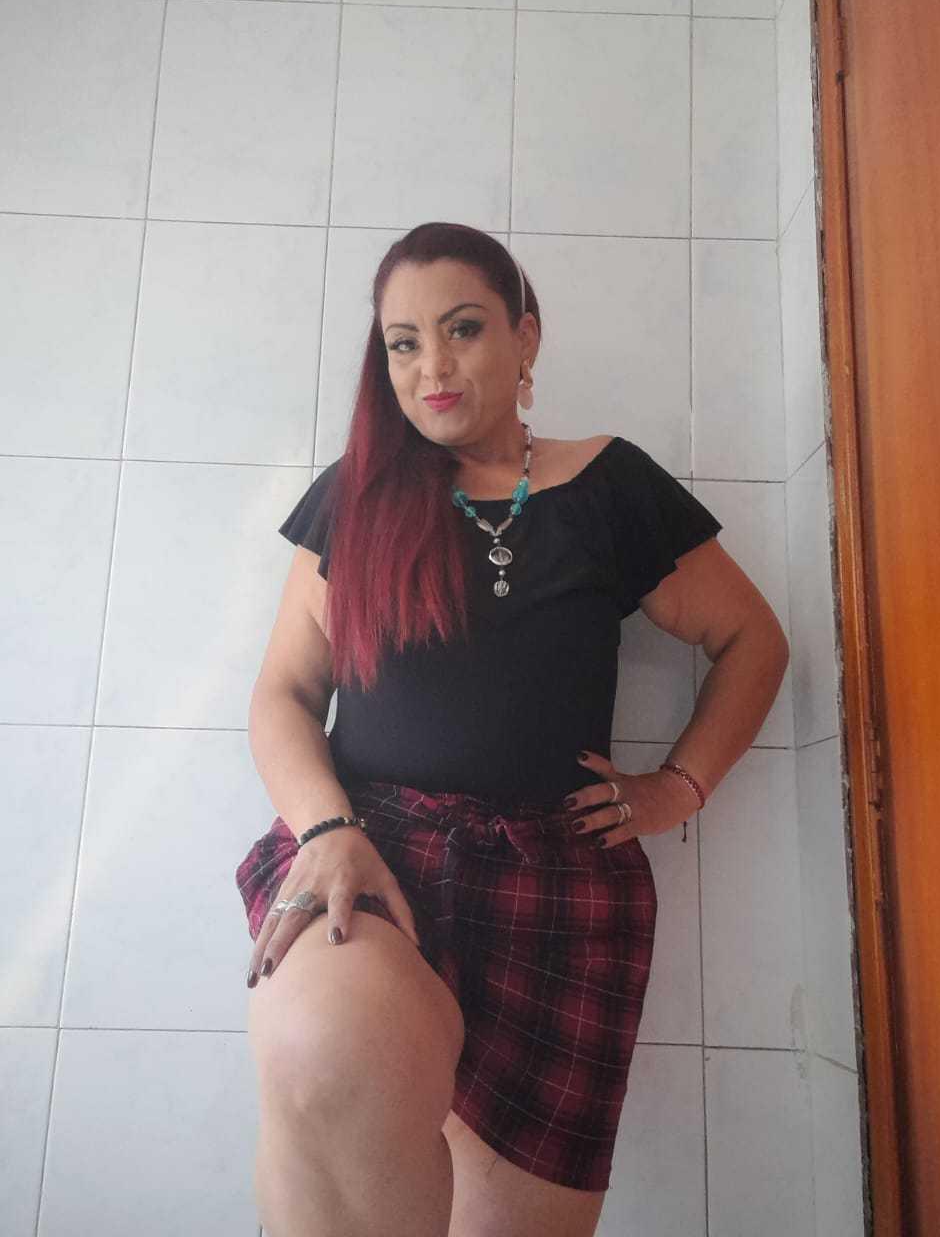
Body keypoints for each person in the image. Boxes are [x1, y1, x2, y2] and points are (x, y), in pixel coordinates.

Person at [234, 221, 789, 1237]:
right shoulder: (356, 497)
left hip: (563, 883)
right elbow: (281, 694)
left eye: (462, 329)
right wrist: (326, 828)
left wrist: (678, 787)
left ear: (526, 336)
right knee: (322, 1054)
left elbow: (753, 639)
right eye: (403, 343)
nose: (432, 367)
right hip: (374, 853)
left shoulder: (611, 485)